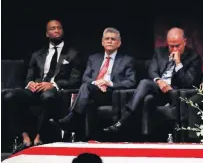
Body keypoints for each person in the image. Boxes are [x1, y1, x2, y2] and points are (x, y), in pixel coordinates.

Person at [4, 20, 83, 153]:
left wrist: (52, 84)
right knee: (10, 96)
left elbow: (75, 80)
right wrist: (31, 84)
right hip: (36, 90)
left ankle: (39, 137)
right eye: (53, 28)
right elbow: (29, 76)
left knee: (48, 96)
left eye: (59, 28)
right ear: (47, 34)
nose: (56, 30)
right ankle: (24, 137)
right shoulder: (38, 54)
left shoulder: (73, 54)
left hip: (57, 93)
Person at [103, 27, 202, 133]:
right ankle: (128, 123)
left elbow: (189, 82)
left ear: (185, 42)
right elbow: (152, 71)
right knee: (145, 86)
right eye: (171, 46)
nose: (174, 49)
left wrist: (178, 63)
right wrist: (159, 81)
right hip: (159, 88)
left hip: (175, 92)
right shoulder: (160, 52)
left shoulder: (194, 57)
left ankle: (122, 121)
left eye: (177, 46)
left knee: (146, 91)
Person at [51, 27, 136, 134]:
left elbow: (131, 82)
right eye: (107, 39)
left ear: (119, 43)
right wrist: (97, 83)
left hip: (112, 93)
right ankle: (78, 129)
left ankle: (72, 118)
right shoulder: (93, 58)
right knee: (86, 86)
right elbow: (85, 77)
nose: (109, 41)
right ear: (102, 42)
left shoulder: (127, 60)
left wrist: (109, 83)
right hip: (94, 90)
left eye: (113, 39)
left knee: (85, 87)